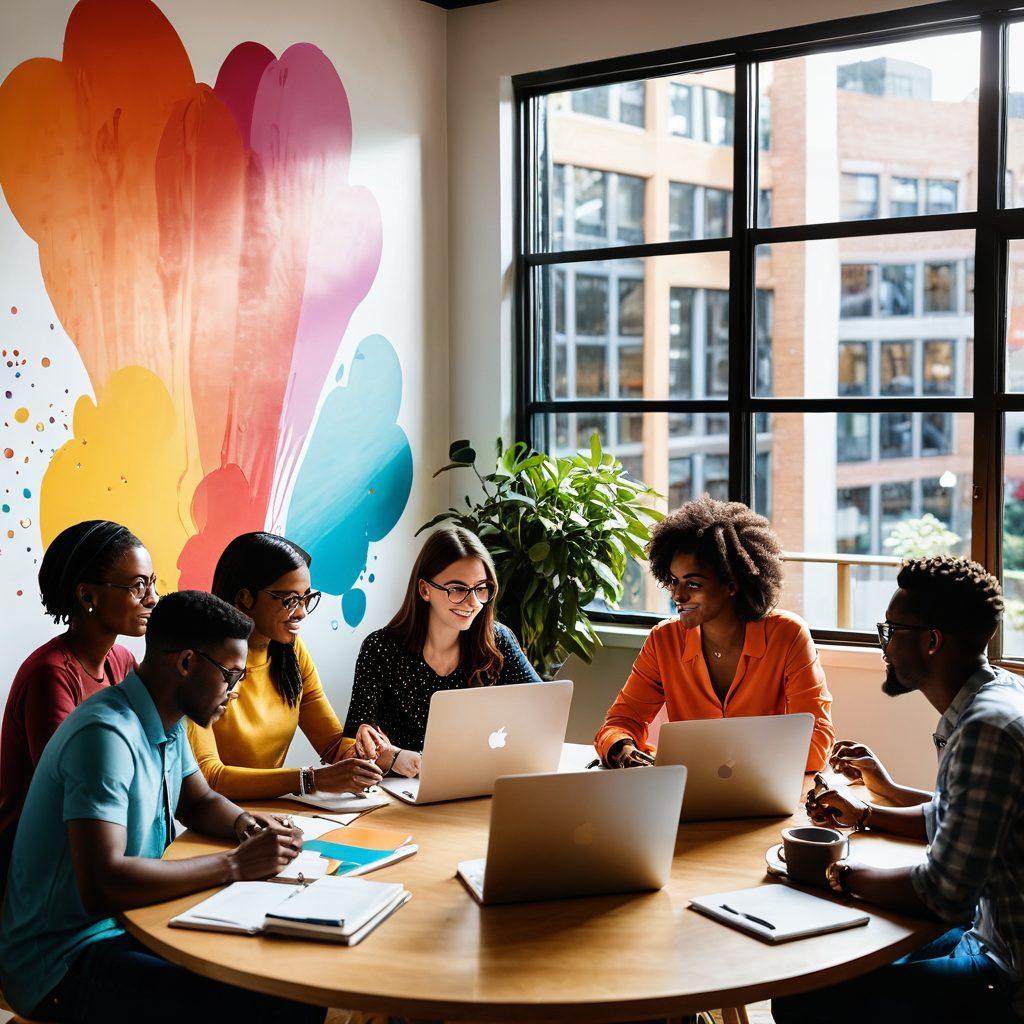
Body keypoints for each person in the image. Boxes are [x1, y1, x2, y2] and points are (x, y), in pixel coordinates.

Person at [0, 589, 324, 1023]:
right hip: (64, 959)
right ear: (187, 662)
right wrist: (234, 864)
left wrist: (249, 825)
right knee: (278, 1005)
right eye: (230, 675)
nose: (234, 691)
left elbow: (199, 799)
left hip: (132, 923)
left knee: (287, 978)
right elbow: (103, 882)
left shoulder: (167, 720)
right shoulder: (105, 736)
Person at [773, 556, 1021, 1024]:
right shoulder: (997, 694)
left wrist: (835, 872)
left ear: (932, 641)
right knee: (840, 958)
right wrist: (867, 809)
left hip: (1005, 972)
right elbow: (955, 820)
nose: (883, 647)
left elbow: (941, 892)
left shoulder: (984, 730)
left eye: (891, 631)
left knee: (802, 998)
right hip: (988, 932)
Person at [595, 495, 834, 771]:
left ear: (732, 584)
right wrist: (622, 750)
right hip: (687, 794)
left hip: (766, 795)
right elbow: (619, 723)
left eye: (693, 584)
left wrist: (732, 764)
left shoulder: (788, 636)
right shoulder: (664, 640)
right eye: (673, 581)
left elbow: (816, 745)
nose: (677, 595)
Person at [0, 520, 158, 890]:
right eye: (138, 586)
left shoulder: (122, 661)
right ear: (88, 596)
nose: (152, 598)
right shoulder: (50, 674)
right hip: (39, 868)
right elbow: (72, 786)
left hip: (94, 847)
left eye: (152, 583)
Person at [188, 531, 383, 799]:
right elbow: (212, 777)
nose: (302, 612)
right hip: (216, 821)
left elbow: (332, 746)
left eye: (306, 598)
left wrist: (359, 750)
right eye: (290, 600)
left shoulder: (290, 651)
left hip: (273, 813)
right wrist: (309, 780)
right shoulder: (200, 663)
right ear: (245, 597)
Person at [344, 525, 540, 776]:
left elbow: (540, 708)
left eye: (481, 588)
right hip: (399, 790)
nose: (473, 602)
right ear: (425, 590)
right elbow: (352, 740)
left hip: (478, 779)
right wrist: (392, 757)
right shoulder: (381, 648)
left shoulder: (497, 640)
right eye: (457, 589)